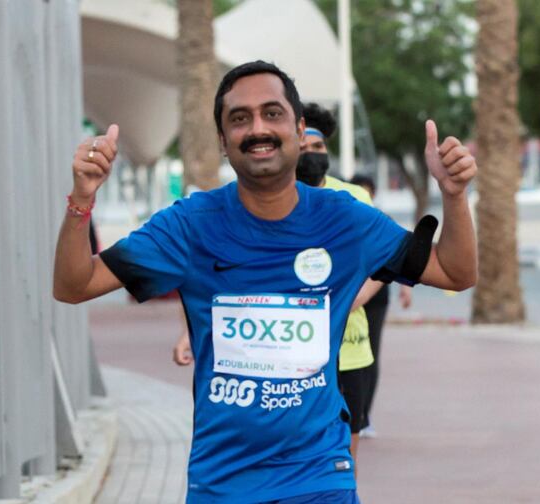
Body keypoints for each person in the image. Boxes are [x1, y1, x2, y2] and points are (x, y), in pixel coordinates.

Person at [53, 60, 477, 504]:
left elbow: (455, 272)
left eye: (272, 113)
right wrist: (82, 199)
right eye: (240, 118)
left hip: (319, 479)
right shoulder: (189, 225)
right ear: (222, 140)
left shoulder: (345, 220)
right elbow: (73, 285)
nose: (257, 128)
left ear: (299, 129)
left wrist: (454, 195)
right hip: (222, 483)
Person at [295, 102, 380, 466]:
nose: (312, 156)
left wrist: (355, 298)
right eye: (302, 150)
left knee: (347, 448)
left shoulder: (355, 198)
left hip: (349, 348)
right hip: (292, 353)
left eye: (317, 148)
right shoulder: (269, 201)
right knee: (299, 449)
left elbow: (383, 262)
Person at [349, 173, 413, 438]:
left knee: (370, 352)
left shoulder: (382, 221)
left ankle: (364, 415)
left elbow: (403, 255)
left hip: (375, 298)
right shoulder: (346, 218)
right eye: (358, 191)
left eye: (367, 191)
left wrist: (405, 287)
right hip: (350, 295)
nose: (363, 195)